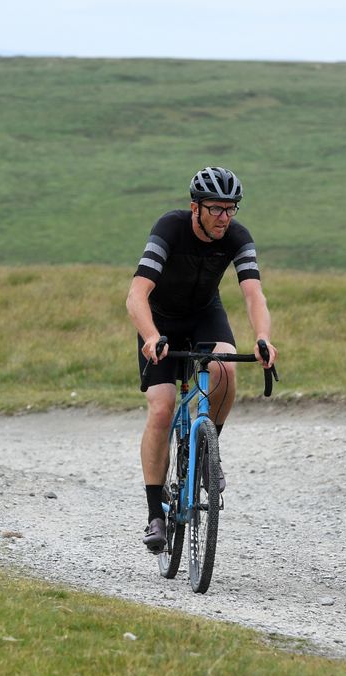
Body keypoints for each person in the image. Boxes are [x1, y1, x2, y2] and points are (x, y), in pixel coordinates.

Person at [127, 166, 278, 553]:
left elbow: (253, 295)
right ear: (195, 208)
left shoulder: (237, 237)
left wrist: (263, 338)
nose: (224, 217)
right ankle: (154, 514)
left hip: (204, 314)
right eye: (215, 209)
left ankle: (208, 452)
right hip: (159, 321)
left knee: (226, 365)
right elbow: (137, 294)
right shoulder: (170, 229)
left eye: (231, 209)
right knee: (162, 409)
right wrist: (150, 336)